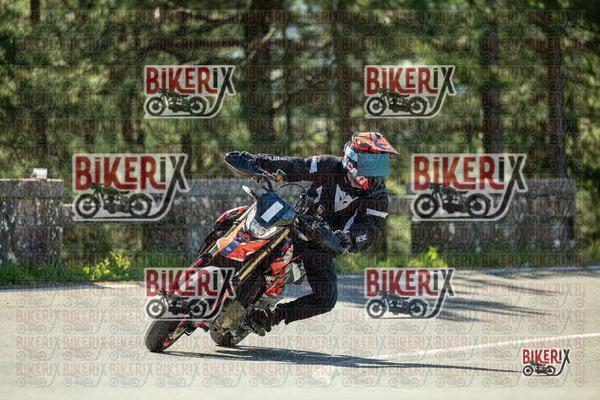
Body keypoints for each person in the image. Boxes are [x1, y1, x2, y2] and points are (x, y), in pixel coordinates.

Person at [232, 131, 399, 333]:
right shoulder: (329, 165)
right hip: (294, 224)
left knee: (327, 298)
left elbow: (370, 230)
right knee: (251, 225)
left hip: (323, 244)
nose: (378, 171)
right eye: (373, 164)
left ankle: (273, 316)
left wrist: (348, 238)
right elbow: (294, 166)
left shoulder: (378, 197)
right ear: (354, 159)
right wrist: (256, 161)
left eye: (381, 165)